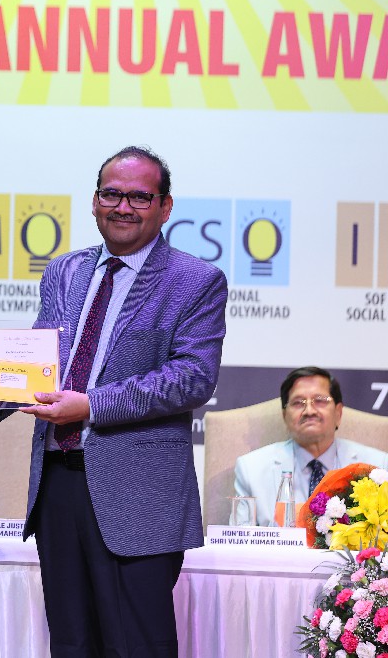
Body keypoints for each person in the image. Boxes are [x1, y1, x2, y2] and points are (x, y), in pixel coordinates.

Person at [20, 146, 228, 657]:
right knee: (71, 643)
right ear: (94, 202)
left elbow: (192, 377)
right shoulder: (64, 271)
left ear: (165, 206)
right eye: (111, 194)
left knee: (137, 646)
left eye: (139, 197)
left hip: (139, 493)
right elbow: (37, 358)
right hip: (57, 482)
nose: (123, 207)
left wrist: (90, 405)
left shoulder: (195, 281)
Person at [234, 366, 388, 526]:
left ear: (338, 413)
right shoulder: (251, 469)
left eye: (320, 401)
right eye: (298, 403)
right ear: (285, 416)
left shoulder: (377, 467)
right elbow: (240, 538)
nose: (309, 411)